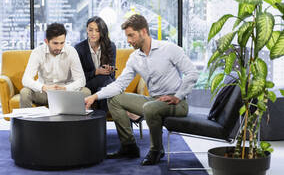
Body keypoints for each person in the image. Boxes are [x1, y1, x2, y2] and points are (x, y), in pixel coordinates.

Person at [85, 14, 199, 166]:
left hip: (177, 103)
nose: (129, 40)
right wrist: (94, 96)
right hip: (153, 100)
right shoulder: (135, 58)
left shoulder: (169, 49)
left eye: (131, 35)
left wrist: (178, 96)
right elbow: (119, 85)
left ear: (143, 31)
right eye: (127, 36)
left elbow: (192, 73)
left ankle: (156, 150)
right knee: (115, 99)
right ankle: (129, 146)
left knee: (149, 107)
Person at [20, 23, 89, 108]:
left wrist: (65, 88)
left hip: (66, 92)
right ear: (46, 41)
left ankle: (78, 121)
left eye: (62, 43)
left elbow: (81, 80)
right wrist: (44, 87)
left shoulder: (71, 51)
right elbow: (26, 79)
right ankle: (28, 121)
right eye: (55, 43)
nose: (59, 47)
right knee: (25, 92)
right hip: (45, 93)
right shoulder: (37, 52)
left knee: (86, 92)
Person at [74, 16, 116, 112]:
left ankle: (100, 121)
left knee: (104, 86)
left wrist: (109, 70)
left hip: (105, 83)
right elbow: (79, 78)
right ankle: (126, 111)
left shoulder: (110, 46)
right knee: (105, 81)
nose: (93, 34)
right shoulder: (79, 48)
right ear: (86, 30)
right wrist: (96, 72)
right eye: (91, 30)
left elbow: (113, 75)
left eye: (97, 30)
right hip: (88, 84)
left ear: (102, 32)